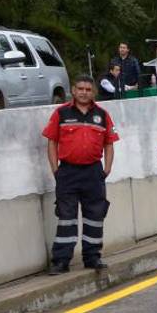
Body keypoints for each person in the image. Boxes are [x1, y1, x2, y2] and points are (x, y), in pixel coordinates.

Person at [41, 76, 118, 274]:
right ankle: (61, 261)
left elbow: (109, 143)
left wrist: (107, 168)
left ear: (93, 92)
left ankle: (92, 258)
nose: (84, 92)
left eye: (88, 89)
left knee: (95, 215)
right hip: (67, 172)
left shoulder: (102, 114)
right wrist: (55, 169)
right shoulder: (61, 113)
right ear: (73, 91)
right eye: (80, 88)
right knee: (67, 216)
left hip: (93, 172)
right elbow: (51, 141)